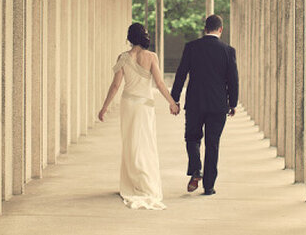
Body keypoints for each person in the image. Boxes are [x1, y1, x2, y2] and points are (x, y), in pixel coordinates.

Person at [98, 23, 180, 210]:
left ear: (129, 37)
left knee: (130, 143)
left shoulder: (123, 57)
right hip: (145, 106)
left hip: (128, 105)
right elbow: (159, 83)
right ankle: (145, 182)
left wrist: (104, 107)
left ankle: (132, 181)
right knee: (145, 143)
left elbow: (115, 86)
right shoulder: (151, 57)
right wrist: (172, 103)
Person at [171, 14, 239, 196]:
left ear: (205, 28)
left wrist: (174, 99)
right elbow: (233, 80)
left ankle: (195, 169)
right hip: (218, 105)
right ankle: (209, 186)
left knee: (192, 138)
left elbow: (181, 74)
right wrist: (232, 103)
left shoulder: (191, 47)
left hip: (195, 103)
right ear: (221, 30)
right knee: (212, 144)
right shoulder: (228, 50)